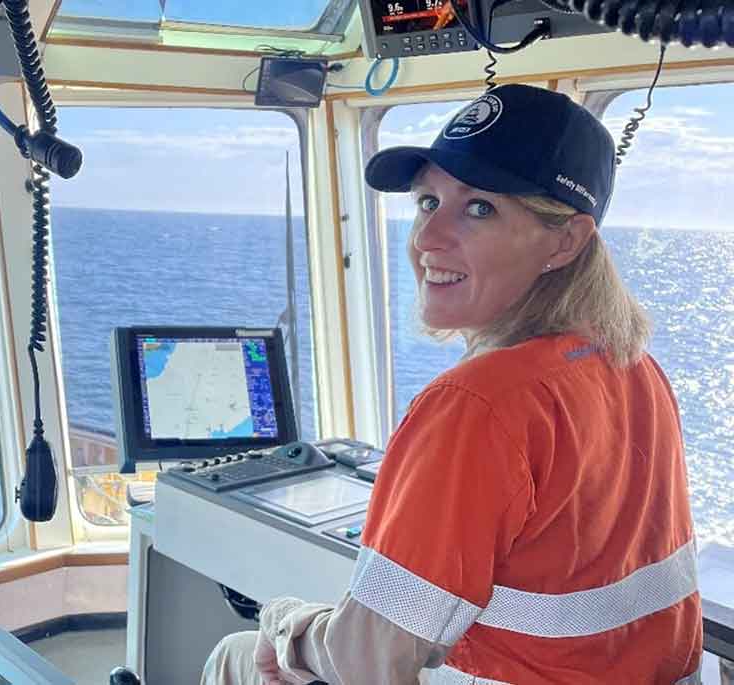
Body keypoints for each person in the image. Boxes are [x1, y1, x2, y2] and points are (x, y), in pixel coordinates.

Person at [202, 84, 702, 684]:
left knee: (238, 654)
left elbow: (368, 664)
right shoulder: (634, 367)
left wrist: (291, 629)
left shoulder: (477, 404)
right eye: (427, 203)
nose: (426, 241)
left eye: (479, 208)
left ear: (566, 241)